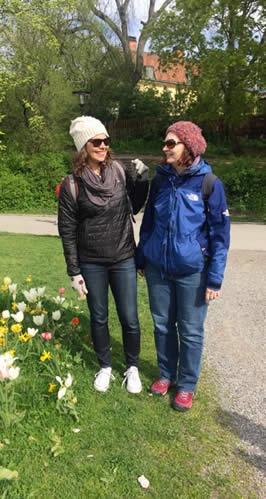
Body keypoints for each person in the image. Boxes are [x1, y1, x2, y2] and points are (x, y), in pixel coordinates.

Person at [136, 121, 230, 411]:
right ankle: (166, 375)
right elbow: (149, 222)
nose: (165, 148)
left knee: (190, 330)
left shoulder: (209, 184)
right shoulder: (161, 180)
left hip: (193, 272)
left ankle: (186, 385)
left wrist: (214, 279)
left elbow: (220, 235)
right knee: (162, 325)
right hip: (158, 269)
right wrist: (143, 257)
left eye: (171, 143)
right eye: (165, 143)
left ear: (189, 147)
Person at [58, 116, 149, 394]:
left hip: (123, 257)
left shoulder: (119, 172)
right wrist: (74, 271)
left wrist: (143, 181)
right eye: (96, 141)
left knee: (129, 317)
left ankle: (131, 367)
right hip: (92, 262)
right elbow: (68, 229)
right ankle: (105, 366)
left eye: (106, 141)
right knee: (98, 317)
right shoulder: (72, 184)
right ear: (83, 146)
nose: (103, 146)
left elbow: (132, 207)